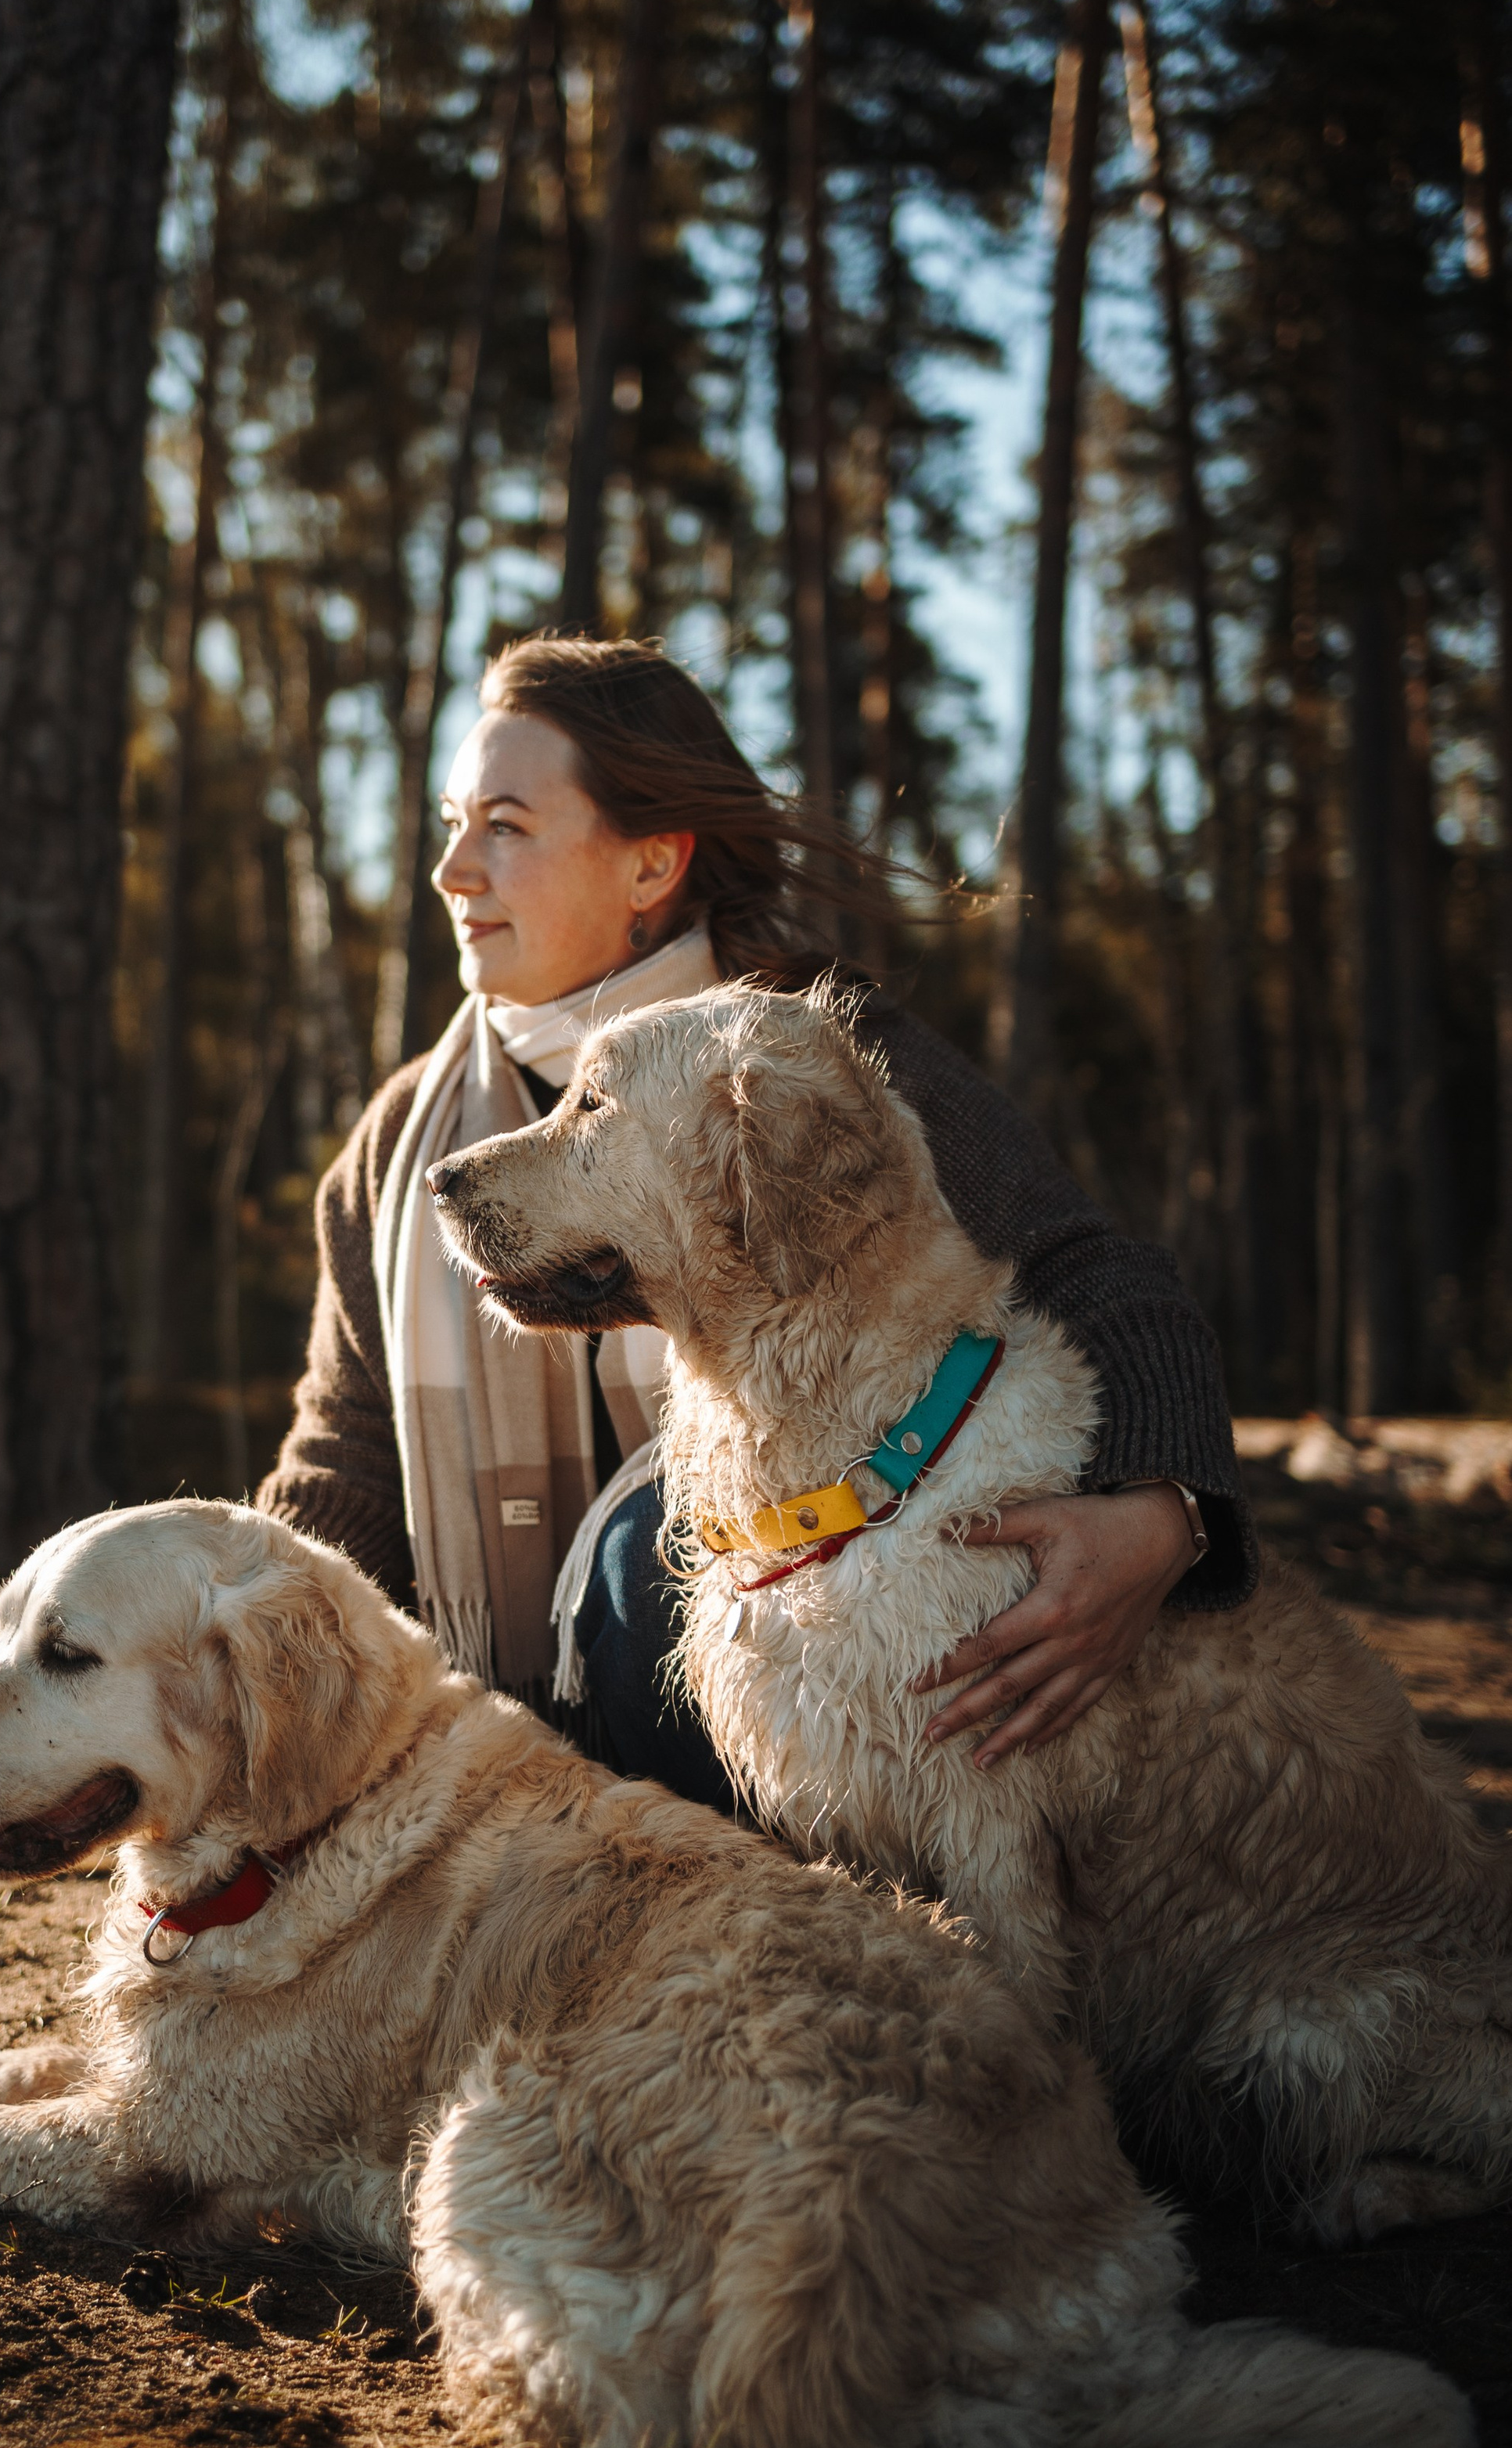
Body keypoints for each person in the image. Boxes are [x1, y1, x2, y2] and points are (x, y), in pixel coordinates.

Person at [255, 635, 1255, 1814]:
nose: (451, 871)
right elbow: (348, 1456)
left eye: (505, 827)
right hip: (524, 1745)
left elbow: (1090, 1272)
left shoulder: (809, 1072)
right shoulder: (399, 1149)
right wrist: (251, 1650)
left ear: (652, 863)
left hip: (841, 1685)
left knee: (651, 1555)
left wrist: (1165, 1512)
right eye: (450, 823)